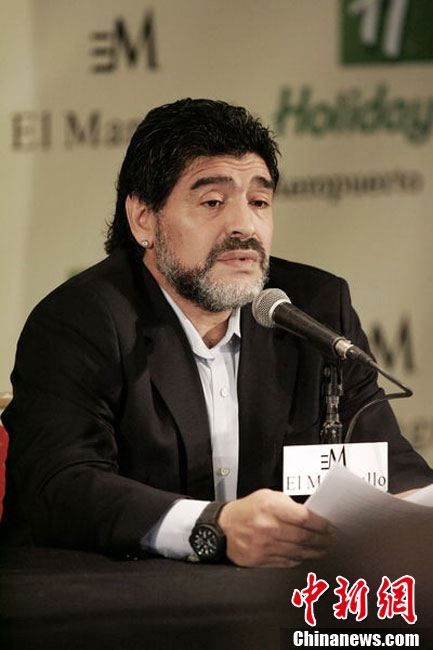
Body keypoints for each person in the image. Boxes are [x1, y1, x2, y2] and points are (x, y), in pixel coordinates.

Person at [1, 99, 432, 567]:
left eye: (259, 202)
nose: (244, 226)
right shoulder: (80, 321)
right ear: (144, 218)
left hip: (270, 601)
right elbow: (63, 487)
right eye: (212, 202)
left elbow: (392, 470)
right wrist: (214, 527)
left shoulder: (317, 310)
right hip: (106, 597)